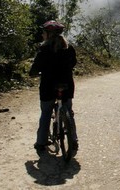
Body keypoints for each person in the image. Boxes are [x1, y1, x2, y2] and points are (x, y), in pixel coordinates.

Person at [29, 20, 78, 153]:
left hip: (48, 86)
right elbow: (73, 63)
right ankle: (73, 140)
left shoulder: (43, 49)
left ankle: (41, 143)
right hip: (66, 85)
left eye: (43, 32)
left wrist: (33, 73)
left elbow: (35, 68)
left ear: (48, 34)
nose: (42, 34)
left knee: (46, 113)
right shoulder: (69, 48)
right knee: (68, 111)